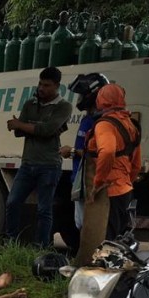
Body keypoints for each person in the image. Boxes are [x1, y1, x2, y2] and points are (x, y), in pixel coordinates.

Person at [5, 66, 73, 248]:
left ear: (57, 86)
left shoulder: (63, 106)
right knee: (12, 202)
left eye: (47, 85)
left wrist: (22, 124)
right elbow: (18, 132)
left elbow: (46, 130)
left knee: (44, 209)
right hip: (28, 163)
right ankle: (10, 241)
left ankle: (40, 247)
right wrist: (26, 126)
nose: (42, 88)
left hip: (49, 165)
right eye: (40, 84)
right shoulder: (30, 104)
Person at [75, 83, 141, 266]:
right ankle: (118, 279)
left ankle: (101, 283)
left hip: (107, 192)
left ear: (101, 101)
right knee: (120, 242)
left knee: (105, 242)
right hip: (125, 190)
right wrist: (127, 182)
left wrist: (98, 182)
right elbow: (136, 163)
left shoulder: (105, 124)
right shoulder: (130, 124)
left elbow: (107, 151)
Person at [59, 74, 107, 255]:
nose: (80, 100)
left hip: (91, 181)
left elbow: (98, 153)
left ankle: (88, 259)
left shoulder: (100, 123)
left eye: (82, 95)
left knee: (87, 223)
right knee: (80, 222)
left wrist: (71, 152)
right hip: (81, 179)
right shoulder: (88, 119)